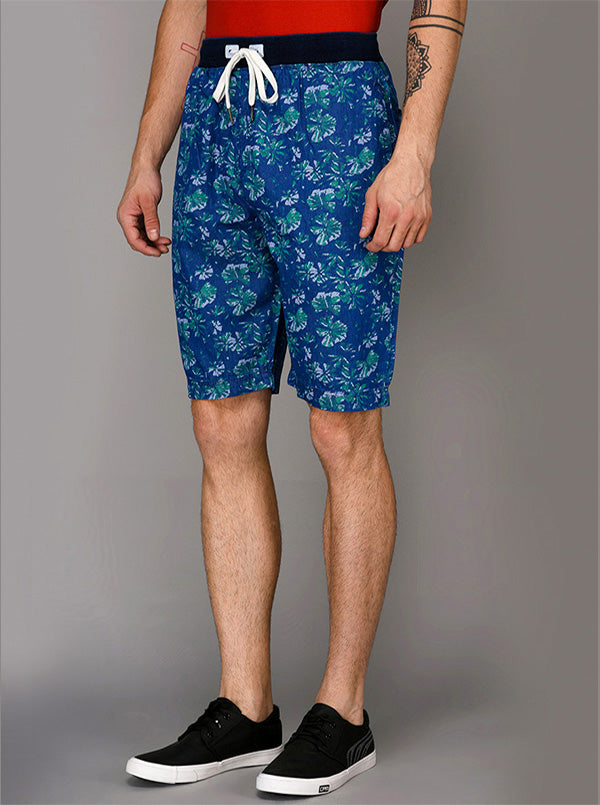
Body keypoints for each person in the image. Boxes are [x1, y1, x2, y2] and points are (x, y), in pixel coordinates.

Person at [117, 0, 467, 796]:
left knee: (343, 426)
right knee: (220, 420)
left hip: (335, 107)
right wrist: (147, 153)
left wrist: (415, 151)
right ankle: (246, 706)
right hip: (216, 112)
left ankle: (343, 712)